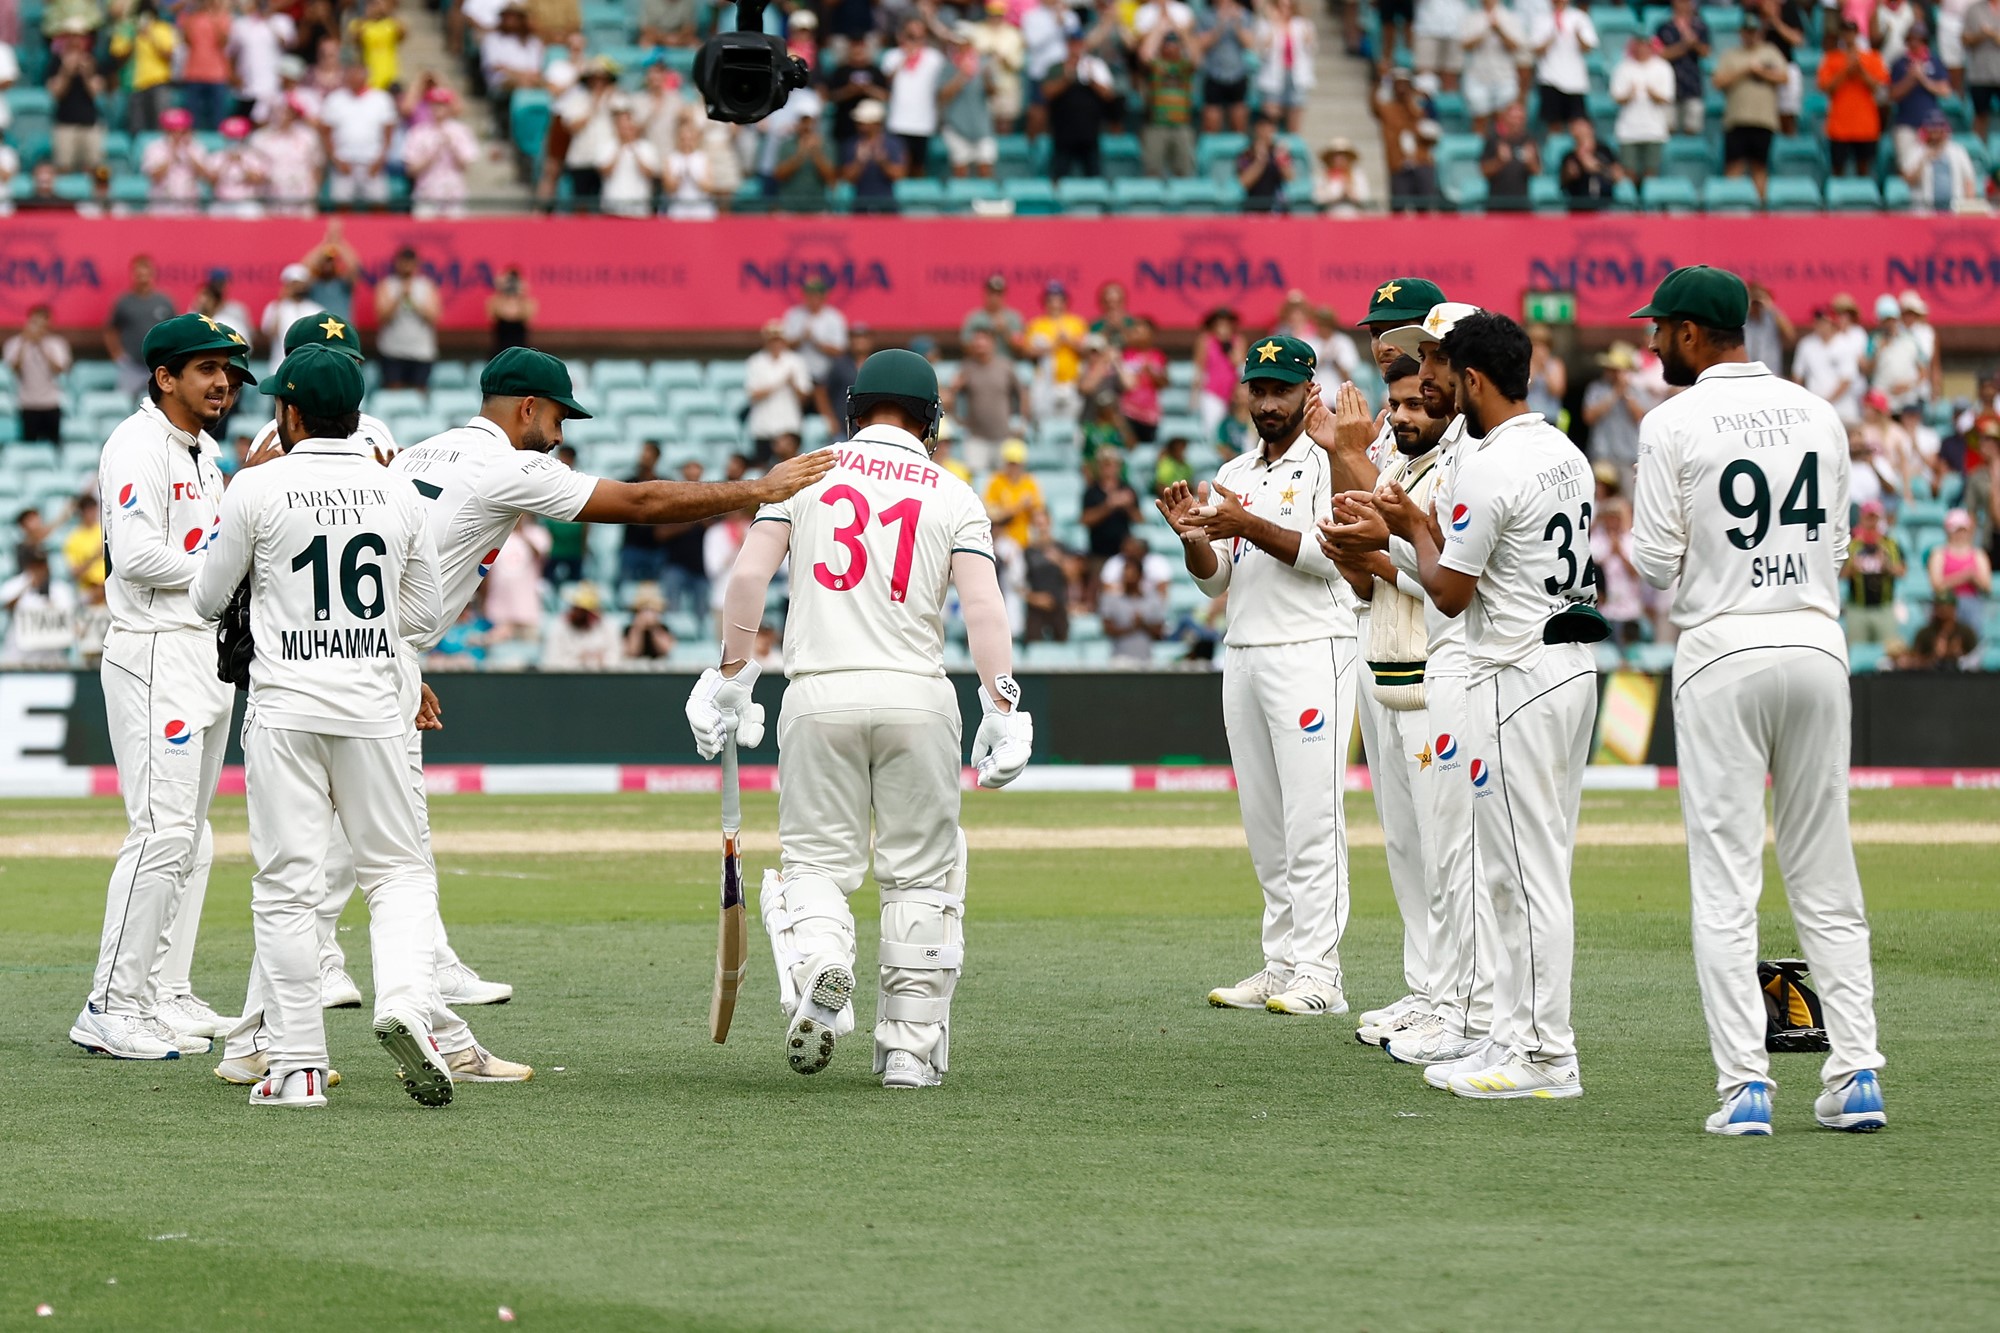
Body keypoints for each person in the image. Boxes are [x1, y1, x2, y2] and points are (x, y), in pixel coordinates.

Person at [684, 348, 1034, 1089]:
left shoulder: (805, 472)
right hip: (918, 696)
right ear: (930, 417)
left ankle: (822, 962)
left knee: (816, 865)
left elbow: (748, 577)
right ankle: (908, 1050)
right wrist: (1002, 704)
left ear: (851, 409)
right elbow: (983, 607)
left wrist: (730, 678)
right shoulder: (953, 490)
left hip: (819, 694)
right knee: (922, 879)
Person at [1628, 264, 1886, 1135]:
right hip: (1816, 644)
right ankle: (1856, 1073)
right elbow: (1840, 547)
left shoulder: (1670, 421)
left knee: (1726, 879)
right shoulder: (1819, 411)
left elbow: (1656, 564)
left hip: (1722, 651)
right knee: (1827, 869)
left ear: (1695, 335)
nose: (1654, 340)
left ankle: (1746, 1087)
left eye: (1662, 328)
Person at [1329, 309, 1601, 1100]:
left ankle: (1547, 1056)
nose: (1436, 386)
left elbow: (1450, 594)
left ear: (1474, 379)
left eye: (1445, 375)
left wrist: (1408, 523)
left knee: (1526, 878)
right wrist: (1405, 534)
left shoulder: (1487, 465)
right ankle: (1512, 1037)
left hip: (1512, 672)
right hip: (1568, 665)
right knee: (1524, 872)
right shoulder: (1565, 451)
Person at [186, 343, 451, 1110]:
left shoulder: (257, 487)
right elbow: (425, 615)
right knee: (398, 872)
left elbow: (207, 598)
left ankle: (298, 1064)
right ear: (357, 415)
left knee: (285, 889)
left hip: (286, 711)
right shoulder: (397, 491)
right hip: (372, 708)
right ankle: (403, 1000)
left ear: (292, 414)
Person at [1156, 334, 1360, 1019]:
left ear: (1310, 393)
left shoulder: (1332, 463)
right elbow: (1223, 574)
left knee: (1311, 818)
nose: (1268, 403)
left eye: (1281, 390)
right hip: (1243, 647)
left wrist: (1244, 518)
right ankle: (1281, 963)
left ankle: (1321, 973)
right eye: (1259, 390)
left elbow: (1328, 559)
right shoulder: (1235, 469)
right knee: (1265, 824)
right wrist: (1193, 539)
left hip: (1314, 648)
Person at [70, 315, 249, 1062]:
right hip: (152, 655)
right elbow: (138, 555)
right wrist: (227, 573)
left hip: (201, 653)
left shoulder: (205, 452)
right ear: (164, 377)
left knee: (195, 835)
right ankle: (108, 1004)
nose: (223, 382)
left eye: (229, 370)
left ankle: (161, 991)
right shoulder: (135, 445)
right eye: (207, 368)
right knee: (161, 831)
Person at [1311, 329, 1478, 1061]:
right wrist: (1357, 554)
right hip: (1389, 658)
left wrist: (1374, 545)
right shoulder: (1406, 464)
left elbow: (1446, 584)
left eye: (1415, 399)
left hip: (1436, 666)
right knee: (1410, 850)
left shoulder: (1456, 466)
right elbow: (1370, 577)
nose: (1403, 412)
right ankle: (1429, 987)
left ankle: (1454, 1000)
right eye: (1396, 402)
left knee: (1446, 851)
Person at [1714, 13, 1787, 200]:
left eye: (1753, 31)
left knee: (1759, 166)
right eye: (1747, 32)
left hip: (1763, 119)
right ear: (1741, 33)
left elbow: (1783, 77)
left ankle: (1760, 212)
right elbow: (1719, 81)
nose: (1750, 35)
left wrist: (1761, 72)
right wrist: (1745, 70)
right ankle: (1731, 207)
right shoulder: (1731, 55)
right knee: (1733, 166)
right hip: (1737, 118)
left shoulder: (1770, 52)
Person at [318, 62, 399, 206]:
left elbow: (389, 133)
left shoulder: (381, 99)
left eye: (357, 73)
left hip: (372, 163)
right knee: (342, 207)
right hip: (344, 163)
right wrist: (336, 160)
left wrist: (380, 160)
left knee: (379, 206)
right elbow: (325, 133)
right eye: (350, 73)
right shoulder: (335, 99)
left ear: (365, 76)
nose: (353, 78)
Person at [1582, 341, 1654, 494]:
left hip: (1628, 457)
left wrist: (1625, 393)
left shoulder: (1636, 390)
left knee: (1629, 502)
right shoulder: (1596, 389)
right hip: (1603, 455)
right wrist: (1615, 393)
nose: (1612, 372)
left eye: (1617, 370)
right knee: (1601, 502)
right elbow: (1589, 417)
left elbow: (1639, 416)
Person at [1820, 19, 1889, 178]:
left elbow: (1878, 87)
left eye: (1851, 32)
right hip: (1840, 124)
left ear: (1857, 34)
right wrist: (1845, 71)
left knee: (1864, 169)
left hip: (1865, 124)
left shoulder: (1872, 58)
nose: (1848, 36)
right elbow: (1826, 88)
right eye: (1845, 32)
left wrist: (1860, 71)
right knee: (1838, 169)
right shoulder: (1831, 58)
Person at [1044, 31, 1117, 180]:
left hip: (1090, 132)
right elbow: (1047, 93)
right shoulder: (1057, 67)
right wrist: (1067, 78)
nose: (1076, 48)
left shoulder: (1096, 65)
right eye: (1072, 44)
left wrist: (1091, 79)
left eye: (1079, 44)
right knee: (1059, 174)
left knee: (1093, 175)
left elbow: (1109, 95)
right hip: (1063, 133)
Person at [883, 18, 947, 176]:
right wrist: (904, 58)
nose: (915, 40)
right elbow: (886, 81)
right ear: (902, 36)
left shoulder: (935, 58)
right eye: (911, 36)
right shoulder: (892, 56)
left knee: (919, 167)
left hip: (923, 122)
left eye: (919, 36)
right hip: (898, 122)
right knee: (900, 166)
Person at [952, 328, 1020, 474]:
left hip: (1003, 435)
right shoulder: (966, 367)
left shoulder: (1005, 366)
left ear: (993, 343)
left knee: (1002, 479)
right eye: (977, 341)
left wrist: (1022, 419)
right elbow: (953, 396)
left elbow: (1021, 394)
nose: (980, 344)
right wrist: (958, 418)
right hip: (976, 437)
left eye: (984, 340)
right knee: (975, 479)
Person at [405, 87, 480, 219]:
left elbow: (465, 166)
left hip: (453, 193)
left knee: (457, 233)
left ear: (449, 107)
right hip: (427, 192)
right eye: (434, 104)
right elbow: (411, 170)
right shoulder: (418, 132)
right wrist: (433, 154)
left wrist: (452, 146)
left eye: (442, 105)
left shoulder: (461, 131)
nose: (437, 108)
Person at [375, 247, 441, 391]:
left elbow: (433, 317)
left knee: (419, 393)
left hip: (421, 351)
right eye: (403, 263)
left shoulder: (426, 286)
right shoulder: (386, 285)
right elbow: (382, 317)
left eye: (410, 263)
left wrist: (413, 300)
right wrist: (399, 296)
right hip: (393, 350)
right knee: (394, 392)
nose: (406, 267)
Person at [746, 321, 814, 460]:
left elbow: (805, 396)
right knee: (763, 468)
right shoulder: (756, 361)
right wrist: (779, 383)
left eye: (778, 340)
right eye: (772, 341)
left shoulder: (795, 361)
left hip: (788, 424)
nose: (775, 345)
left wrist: (792, 384)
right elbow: (753, 394)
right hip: (763, 426)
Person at [1374, 67, 1439, 210]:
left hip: (1421, 162)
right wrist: (1379, 80)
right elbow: (1374, 105)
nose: (1401, 89)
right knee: (1399, 208)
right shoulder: (1388, 110)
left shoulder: (1420, 107)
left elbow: (1433, 134)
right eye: (1398, 84)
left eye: (1405, 85)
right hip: (1398, 165)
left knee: (1425, 207)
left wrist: (1416, 105)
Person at [1610, 35, 1674, 181]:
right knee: (1629, 172)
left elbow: (1667, 98)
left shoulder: (1663, 67)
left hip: (1654, 130)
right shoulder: (1623, 67)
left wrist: (1653, 95)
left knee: (1650, 172)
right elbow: (1616, 97)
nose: (1641, 49)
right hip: (1628, 130)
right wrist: (1628, 96)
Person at [1023, 281, 1088, 423]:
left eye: (1059, 299)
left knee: (1070, 422)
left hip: (1071, 382)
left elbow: (1086, 351)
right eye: (1051, 300)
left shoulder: (1076, 323)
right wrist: (1053, 346)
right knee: (1044, 421)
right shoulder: (1037, 324)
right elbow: (1028, 351)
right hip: (1044, 384)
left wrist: (1069, 341)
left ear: (1065, 301)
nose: (1055, 304)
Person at [5, 305, 71, 444]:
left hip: (51, 403)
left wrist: (41, 346)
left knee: (54, 444)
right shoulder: (15, 343)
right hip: (27, 404)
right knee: (29, 446)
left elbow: (59, 369)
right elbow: (14, 368)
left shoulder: (57, 344)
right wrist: (25, 342)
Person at [1844, 500, 1905, 645]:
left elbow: (1902, 571)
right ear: (1862, 519)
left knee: (1889, 651)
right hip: (1858, 608)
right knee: (1855, 650)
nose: (1872, 522)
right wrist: (1853, 568)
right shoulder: (1851, 544)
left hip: (1884, 607)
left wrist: (1888, 566)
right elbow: (1840, 574)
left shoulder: (1890, 543)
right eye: (1868, 518)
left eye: (1875, 518)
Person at [1459, 0, 1525, 132]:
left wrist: (1499, 30)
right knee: (1479, 119)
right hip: (1477, 75)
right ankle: (1481, 150)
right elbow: (1464, 45)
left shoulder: (1510, 17)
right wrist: (1485, 31)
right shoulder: (1472, 17)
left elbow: (1515, 46)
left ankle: (1502, 150)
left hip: (1504, 76)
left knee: (1504, 120)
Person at [1530, 0, 1596, 130]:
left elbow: (1588, 47)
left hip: (1575, 80)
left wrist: (1578, 36)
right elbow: (1535, 50)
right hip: (1550, 78)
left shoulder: (1579, 17)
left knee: (1578, 123)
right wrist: (1550, 38)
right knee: (1554, 124)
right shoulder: (1541, 20)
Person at [782, 275, 850, 398]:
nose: (813, 299)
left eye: (816, 295)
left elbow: (840, 350)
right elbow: (783, 345)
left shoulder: (833, 317)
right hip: (799, 372)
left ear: (823, 297)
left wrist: (816, 342)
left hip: (826, 373)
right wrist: (801, 338)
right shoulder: (794, 315)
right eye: (809, 295)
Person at [1902, 109, 1983, 209]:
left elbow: (1969, 181)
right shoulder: (1916, 152)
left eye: (1938, 126)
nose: (1935, 130)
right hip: (1925, 211)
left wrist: (1968, 207)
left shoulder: (1957, 151)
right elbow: (1909, 180)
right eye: (1932, 126)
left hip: (1954, 210)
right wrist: (1924, 160)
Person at [1255, 0, 1315, 131]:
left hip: (1295, 76)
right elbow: (1262, 51)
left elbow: (1311, 47)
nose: (1285, 10)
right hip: (1273, 76)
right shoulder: (1266, 25)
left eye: (1288, 7)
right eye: (1281, 6)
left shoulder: (1302, 25)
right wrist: (1273, 24)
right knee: (1271, 117)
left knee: (1295, 115)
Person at [1655, 0, 1711, 133]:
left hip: (1693, 84)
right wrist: (1684, 45)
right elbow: (1660, 54)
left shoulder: (1700, 26)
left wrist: (1694, 43)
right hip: (1669, 84)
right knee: (1668, 128)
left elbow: (1706, 51)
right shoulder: (1664, 27)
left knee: (1693, 128)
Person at [1930, 507, 1993, 624]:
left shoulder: (1978, 554)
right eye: (1956, 530)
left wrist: (1973, 578)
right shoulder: (1939, 554)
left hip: (1971, 606)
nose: (1960, 534)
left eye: (1962, 530)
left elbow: (1987, 586)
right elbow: (1936, 585)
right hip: (1946, 604)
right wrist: (1965, 576)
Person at [142, 106, 210, 214]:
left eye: (182, 130)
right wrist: (171, 154)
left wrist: (188, 152)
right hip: (161, 206)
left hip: (189, 206)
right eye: (172, 130)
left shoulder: (196, 146)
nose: (177, 134)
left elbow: (205, 175)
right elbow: (155, 177)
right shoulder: (154, 147)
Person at [1100, 556, 1168, 659]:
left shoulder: (1153, 600)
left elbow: (1159, 633)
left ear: (1140, 576)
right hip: (1120, 658)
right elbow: (1107, 629)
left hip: (1145, 658)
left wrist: (1142, 624)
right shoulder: (1111, 599)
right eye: (1125, 575)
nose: (1128, 579)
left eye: (1132, 575)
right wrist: (1132, 627)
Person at [541, 582, 622, 668]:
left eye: (586, 611)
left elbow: (615, 660)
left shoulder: (609, 626)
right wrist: (580, 659)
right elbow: (551, 662)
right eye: (578, 609)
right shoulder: (558, 627)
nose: (580, 614)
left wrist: (596, 660)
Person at [984, 439, 1045, 551]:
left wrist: (1035, 515)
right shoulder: (996, 481)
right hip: (1002, 539)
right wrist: (1018, 507)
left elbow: (1039, 513)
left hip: (1026, 540)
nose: (1014, 468)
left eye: (1017, 464)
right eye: (1011, 463)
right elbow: (992, 514)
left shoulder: (1030, 482)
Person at [1191, 307, 1245, 433]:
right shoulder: (1205, 340)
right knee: (1213, 429)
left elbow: (1240, 365)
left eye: (1226, 323)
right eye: (1219, 323)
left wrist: (1228, 347)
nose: (1223, 327)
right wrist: (1194, 395)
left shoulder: (1238, 341)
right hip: (1212, 391)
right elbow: (1199, 368)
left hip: (1234, 393)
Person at [1480, 100, 1538, 209]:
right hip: (1497, 204)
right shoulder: (1494, 140)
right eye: (1513, 118)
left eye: (1520, 118)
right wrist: (1499, 162)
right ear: (1505, 119)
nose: (1517, 122)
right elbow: (1483, 171)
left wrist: (1530, 162)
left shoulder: (1529, 140)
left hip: (1521, 204)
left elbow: (1537, 171)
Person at [1898, 593, 1980, 667]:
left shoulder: (1965, 633)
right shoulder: (1925, 633)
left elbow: (1975, 660)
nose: (1941, 610)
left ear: (1953, 608)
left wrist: (1959, 655)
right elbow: (1916, 660)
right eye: (1938, 606)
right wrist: (1934, 656)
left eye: (1944, 606)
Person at [1558, 115, 1623, 209]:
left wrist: (1598, 167)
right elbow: (1562, 182)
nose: (1580, 129)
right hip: (1578, 208)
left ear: (1591, 127)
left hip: (1605, 206)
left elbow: (1618, 175)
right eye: (1575, 126)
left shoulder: (1605, 151)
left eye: (1582, 125)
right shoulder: (1569, 156)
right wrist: (1571, 173)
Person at [1237, 115, 1297, 211]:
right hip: (1253, 205)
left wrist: (1281, 158)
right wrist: (1260, 160)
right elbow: (1244, 183)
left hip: (1276, 206)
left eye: (1271, 128)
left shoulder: (1279, 152)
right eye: (1264, 127)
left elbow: (1290, 178)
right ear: (1257, 129)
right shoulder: (1247, 154)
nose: (1268, 132)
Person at [1965, 0, 2000, 139]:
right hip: (1980, 74)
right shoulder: (1973, 9)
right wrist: (1981, 35)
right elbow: (1965, 40)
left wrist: (1992, 35)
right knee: (1980, 115)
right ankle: (1978, 153)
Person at [1313, 136, 1373, 213]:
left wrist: (1350, 194)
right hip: (1331, 214)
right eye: (1336, 155)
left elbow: (1365, 196)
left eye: (1342, 155)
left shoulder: (1357, 174)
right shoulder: (1324, 175)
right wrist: (1336, 197)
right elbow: (1317, 197)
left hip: (1353, 214)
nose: (1339, 159)